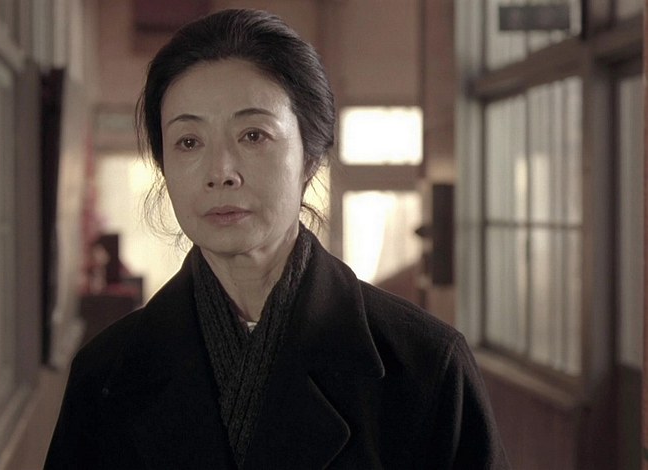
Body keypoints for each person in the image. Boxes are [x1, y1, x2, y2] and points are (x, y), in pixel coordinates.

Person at [45, 8, 508, 469]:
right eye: (188, 141)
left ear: (310, 154)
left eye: (253, 135)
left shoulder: (425, 365)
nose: (220, 172)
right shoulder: (105, 375)